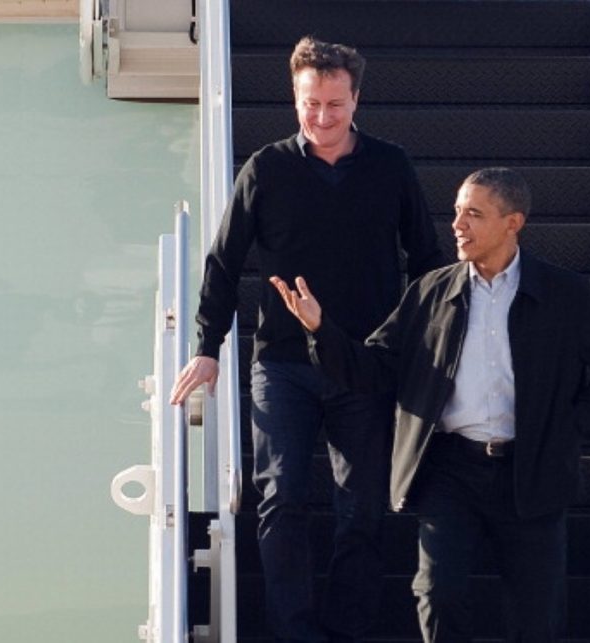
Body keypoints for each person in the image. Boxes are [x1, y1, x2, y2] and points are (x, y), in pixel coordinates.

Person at [272, 167, 590, 642]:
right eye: (456, 212)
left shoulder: (563, 293)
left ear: (513, 223)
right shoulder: (429, 292)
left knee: (537, 613)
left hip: (531, 470)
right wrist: (322, 332)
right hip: (449, 470)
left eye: (474, 214)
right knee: (437, 593)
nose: (457, 225)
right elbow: (375, 368)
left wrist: (568, 427)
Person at [169, 36, 444, 642]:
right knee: (281, 500)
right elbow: (223, 261)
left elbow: (427, 260)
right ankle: (294, 633)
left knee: (364, 510)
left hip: (365, 366)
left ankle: (347, 631)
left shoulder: (390, 165)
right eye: (309, 103)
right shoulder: (265, 168)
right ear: (294, 98)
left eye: (335, 104)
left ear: (357, 100)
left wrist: (423, 346)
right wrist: (207, 347)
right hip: (283, 364)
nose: (322, 117)